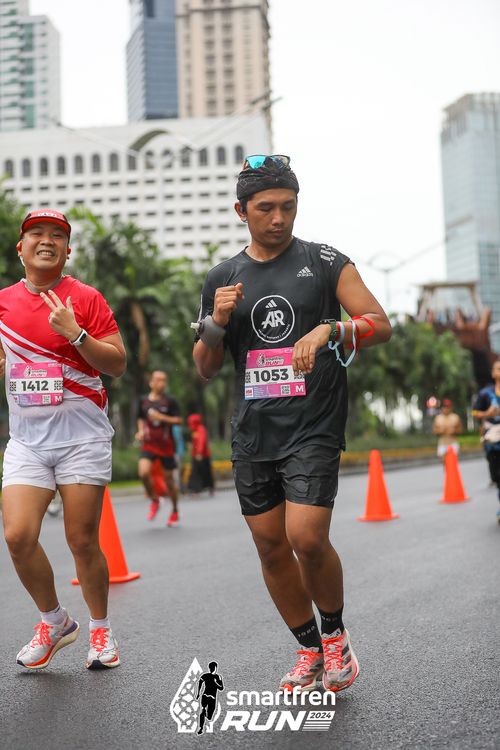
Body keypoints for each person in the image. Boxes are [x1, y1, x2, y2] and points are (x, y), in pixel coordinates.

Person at [192, 154, 392, 693]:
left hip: (314, 423)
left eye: (288, 206)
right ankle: (308, 649)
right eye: (266, 208)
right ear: (241, 211)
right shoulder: (222, 277)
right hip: (255, 429)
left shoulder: (326, 262)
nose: (278, 218)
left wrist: (330, 329)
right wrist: (217, 322)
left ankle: (335, 637)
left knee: (305, 535)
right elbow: (205, 367)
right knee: (270, 545)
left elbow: (380, 324)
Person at [0, 209, 126, 670]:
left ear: (67, 251)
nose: (47, 240)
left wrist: (76, 334)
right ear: (21, 248)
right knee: (17, 536)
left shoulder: (86, 298)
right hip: (28, 440)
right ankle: (54, 622)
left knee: (82, 539)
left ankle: (100, 630)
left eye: (57, 235)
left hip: (82, 438)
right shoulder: (3, 303)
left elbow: (117, 363)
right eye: (37, 233)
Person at [136, 370, 182, 526]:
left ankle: (175, 510)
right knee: (143, 473)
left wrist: (161, 417)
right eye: (158, 380)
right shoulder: (143, 401)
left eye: (164, 380)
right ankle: (155, 500)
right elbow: (141, 418)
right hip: (149, 444)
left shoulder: (170, 401)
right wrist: (140, 431)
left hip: (166, 446)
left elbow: (178, 420)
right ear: (151, 382)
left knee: (169, 481)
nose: (161, 383)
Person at [472, 359, 500, 521]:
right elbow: (475, 412)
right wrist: (487, 414)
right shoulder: (486, 393)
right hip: (493, 440)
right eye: (497, 368)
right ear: (493, 373)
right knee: (497, 476)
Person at [186, 413, 215, 495]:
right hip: (196, 455)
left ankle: (206, 488)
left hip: (202, 455)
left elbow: (201, 442)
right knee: (197, 471)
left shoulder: (201, 429)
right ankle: (196, 489)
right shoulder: (194, 430)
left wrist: (199, 453)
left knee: (204, 471)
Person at [196, 661, 224, 735]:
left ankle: (205, 714)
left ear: (215, 668)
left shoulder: (218, 677)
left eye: (213, 668)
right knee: (202, 710)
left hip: (211, 698)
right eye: (211, 668)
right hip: (206, 696)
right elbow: (200, 682)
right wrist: (198, 693)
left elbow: (221, 688)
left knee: (209, 717)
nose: (213, 669)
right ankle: (201, 728)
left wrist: (215, 683)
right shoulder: (206, 675)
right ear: (210, 668)